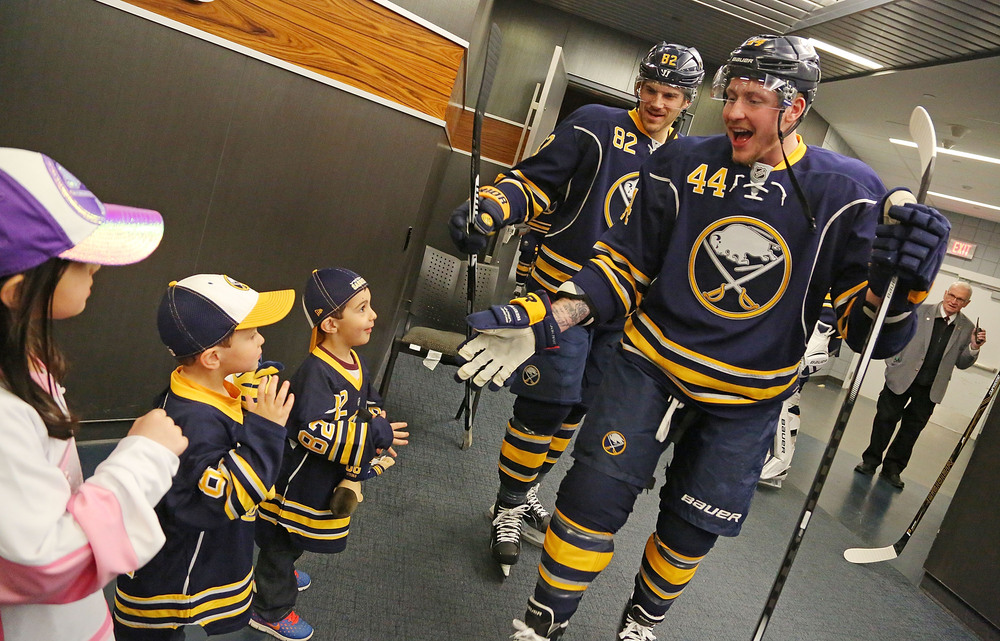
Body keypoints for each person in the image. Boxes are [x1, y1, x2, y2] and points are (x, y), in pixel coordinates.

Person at [455, 35, 951, 641]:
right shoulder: (681, 161)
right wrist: (547, 320)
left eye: (753, 99)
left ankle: (641, 621)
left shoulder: (848, 192)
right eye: (730, 95)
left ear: (794, 108)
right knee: (590, 498)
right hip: (650, 366)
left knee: (691, 531)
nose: (734, 111)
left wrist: (896, 291)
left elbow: (866, 332)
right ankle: (544, 621)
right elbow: (624, 265)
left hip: (749, 397)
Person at [449, 41, 705, 576]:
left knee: (577, 409)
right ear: (638, 86)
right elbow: (534, 182)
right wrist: (489, 210)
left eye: (671, 95)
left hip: (624, 311)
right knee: (543, 407)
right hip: (558, 294)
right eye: (651, 90)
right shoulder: (594, 124)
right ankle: (507, 506)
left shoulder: (688, 163)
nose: (658, 103)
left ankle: (527, 488)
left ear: (687, 102)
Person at [0, 147, 187, 641]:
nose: (97, 270)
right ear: (17, 292)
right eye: (81, 260)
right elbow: (45, 562)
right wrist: (143, 459)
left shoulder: (21, 359)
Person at [113, 274, 296, 639]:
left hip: (185, 553)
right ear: (213, 357)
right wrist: (266, 430)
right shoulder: (193, 422)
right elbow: (225, 497)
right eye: (251, 335)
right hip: (172, 577)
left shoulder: (205, 385)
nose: (262, 339)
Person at [250, 268, 409, 640]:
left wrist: (377, 418)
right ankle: (269, 609)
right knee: (283, 539)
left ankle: (280, 574)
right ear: (331, 324)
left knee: (297, 538)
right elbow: (311, 432)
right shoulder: (315, 372)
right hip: (299, 480)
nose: (373, 315)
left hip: (325, 475)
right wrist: (373, 433)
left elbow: (367, 400)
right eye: (362, 308)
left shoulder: (355, 360)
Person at [856, 281, 986, 489]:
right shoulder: (917, 312)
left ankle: (892, 470)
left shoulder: (968, 328)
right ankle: (870, 461)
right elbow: (896, 336)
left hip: (930, 388)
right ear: (945, 293)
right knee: (884, 420)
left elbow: (962, 363)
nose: (954, 301)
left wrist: (974, 346)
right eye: (951, 295)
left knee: (911, 430)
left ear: (966, 303)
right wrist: (893, 362)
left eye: (960, 299)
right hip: (901, 378)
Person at [758, 297, 841, 488]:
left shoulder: (827, 298)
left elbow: (817, 348)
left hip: (793, 355)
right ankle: (771, 458)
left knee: (784, 398)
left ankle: (778, 462)